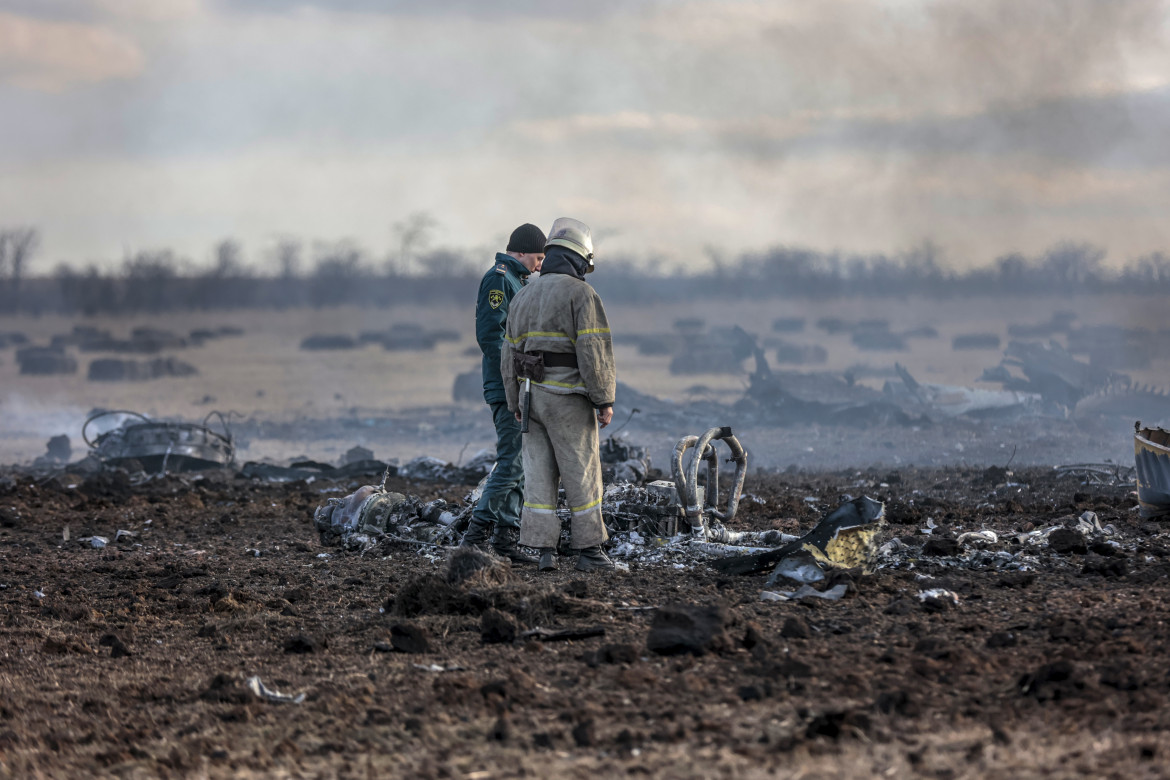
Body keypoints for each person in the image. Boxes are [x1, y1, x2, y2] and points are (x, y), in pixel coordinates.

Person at [500, 218, 617, 572]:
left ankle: (544, 552)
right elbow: (593, 351)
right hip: (568, 398)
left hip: (530, 398)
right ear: (579, 260)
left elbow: (508, 355)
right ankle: (590, 552)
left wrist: (513, 400)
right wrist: (603, 398)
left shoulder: (522, 295)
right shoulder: (582, 294)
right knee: (581, 473)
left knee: (538, 476)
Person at [459, 223, 546, 564]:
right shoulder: (499, 280)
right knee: (510, 461)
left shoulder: (516, 281)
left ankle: (506, 540)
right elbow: (490, 336)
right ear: (521, 252)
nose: (540, 265)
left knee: (520, 462)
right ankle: (474, 537)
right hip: (506, 386)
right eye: (538, 257)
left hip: (521, 384)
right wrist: (516, 370)